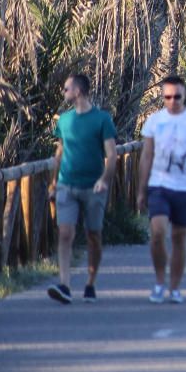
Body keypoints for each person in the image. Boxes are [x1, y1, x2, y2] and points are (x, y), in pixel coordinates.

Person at [136, 75, 186, 304]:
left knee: (179, 237)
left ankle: (174, 287)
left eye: (176, 96)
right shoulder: (153, 121)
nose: (172, 101)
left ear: (184, 95)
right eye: (167, 97)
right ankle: (159, 282)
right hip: (159, 185)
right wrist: (141, 190)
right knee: (158, 233)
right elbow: (146, 155)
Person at [47, 74, 117, 304]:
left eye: (66, 88)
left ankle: (90, 282)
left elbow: (111, 155)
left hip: (94, 187)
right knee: (65, 233)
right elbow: (60, 152)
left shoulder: (102, 119)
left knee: (93, 236)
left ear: (77, 91)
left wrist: (104, 179)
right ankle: (65, 284)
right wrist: (54, 182)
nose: (63, 92)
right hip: (67, 185)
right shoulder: (64, 121)